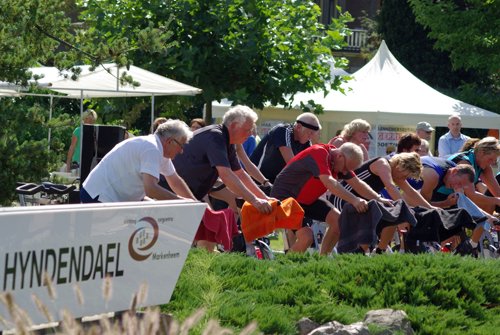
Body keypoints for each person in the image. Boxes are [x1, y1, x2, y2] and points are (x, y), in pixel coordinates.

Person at [271, 142, 377, 255]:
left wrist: (379, 199)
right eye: (346, 168)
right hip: (285, 198)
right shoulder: (319, 152)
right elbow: (329, 182)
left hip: (306, 200)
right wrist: (355, 200)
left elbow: (357, 184)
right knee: (306, 237)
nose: (345, 172)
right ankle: (284, 267)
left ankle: (322, 260)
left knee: (339, 221)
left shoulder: (340, 161)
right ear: (339, 156)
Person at [172, 105, 272, 213]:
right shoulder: (216, 137)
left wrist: (265, 198)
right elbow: (226, 175)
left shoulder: (228, 140)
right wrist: (254, 200)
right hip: (172, 193)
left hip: (185, 193)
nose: (250, 134)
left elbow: (240, 174)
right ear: (233, 126)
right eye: (247, 130)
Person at [328, 152, 433, 252]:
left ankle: (380, 251)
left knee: (393, 216)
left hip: (362, 203)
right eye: (404, 176)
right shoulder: (382, 164)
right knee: (396, 212)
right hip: (343, 199)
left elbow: (410, 191)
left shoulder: (395, 171)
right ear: (399, 166)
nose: (403, 179)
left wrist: (431, 208)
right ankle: (358, 252)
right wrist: (407, 211)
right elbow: (390, 187)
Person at [80, 119, 196, 203]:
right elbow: (151, 189)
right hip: (98, 196)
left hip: (108, 198)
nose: (181, 151)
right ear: (170, 141)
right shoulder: (152, 148)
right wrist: (182, 202)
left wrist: (195, 204)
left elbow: (175, 182)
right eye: (182, 145)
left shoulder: (158, 149)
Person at [250, 112, 321, 183]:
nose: (311, 137)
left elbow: (312, 164)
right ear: (299, 127)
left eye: (313, 134)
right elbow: (292, 163)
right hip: (257, 180)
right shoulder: (282, 131)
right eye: (310, 133)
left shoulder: (305, 142)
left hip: (273, 184)